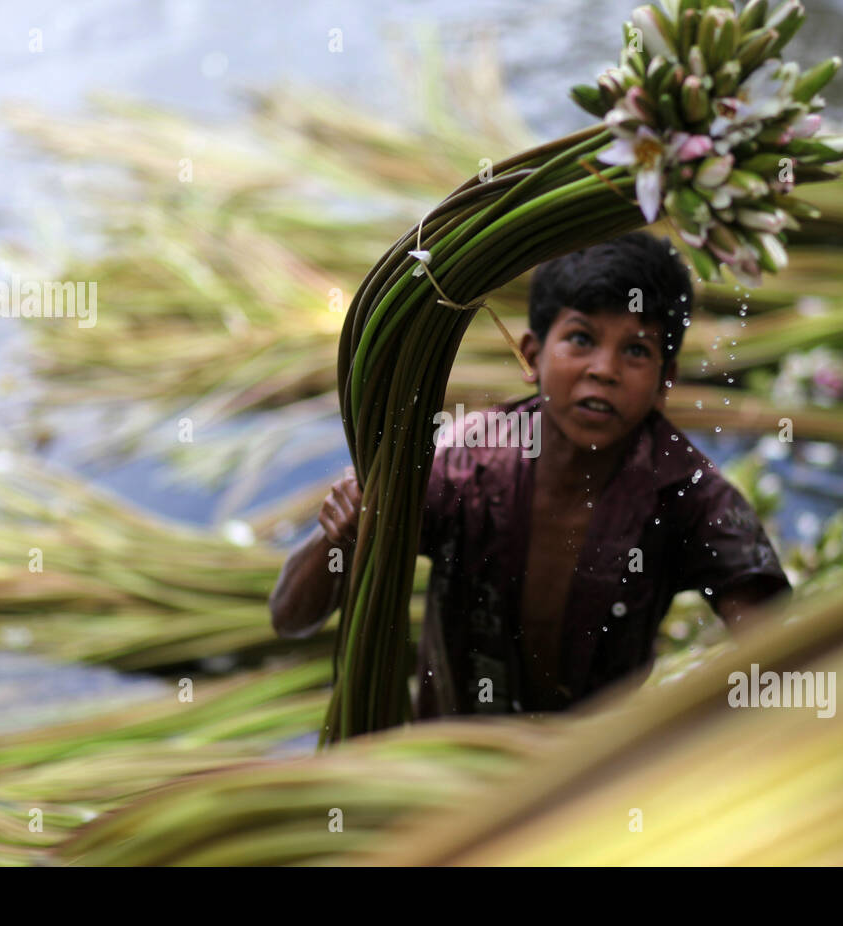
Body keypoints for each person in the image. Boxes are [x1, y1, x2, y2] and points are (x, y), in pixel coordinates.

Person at [270, 231, 790, 719]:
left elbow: (783, 657)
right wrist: (337, 536)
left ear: (664, 381)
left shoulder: (690, 497)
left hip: (593, 777)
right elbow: (290, 617)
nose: (604, 369)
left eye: (636, 350)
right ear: (532, 356)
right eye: (581, 339)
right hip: (438, 763)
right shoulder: (463, 466)